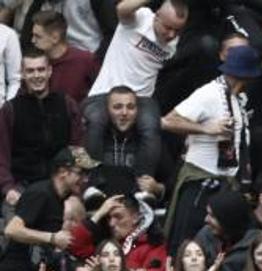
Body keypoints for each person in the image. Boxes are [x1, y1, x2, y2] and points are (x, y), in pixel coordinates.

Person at [161, 44, 260, 250]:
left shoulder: (237, 98)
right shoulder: (209, 93)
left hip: (225, 182)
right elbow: (167, 121)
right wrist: (206, 129)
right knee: (188, 245)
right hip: (200, 181)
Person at [83, 0, 186, 186]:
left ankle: (142, 181)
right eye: (168, 27)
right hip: (105, 92)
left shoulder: (174, 44)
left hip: (140, 98)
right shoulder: (141, 18)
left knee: (151, 126)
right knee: (96, 120)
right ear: (156, 17)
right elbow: (122, 8)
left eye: (177, 30)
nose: (171, 35)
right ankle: (91, 179)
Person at [0, 49, 83, 204]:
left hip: (62, 187)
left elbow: (78, 149)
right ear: (22, 74)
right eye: (30, 71)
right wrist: (8, 188)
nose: (37, 75)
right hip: (22, 188)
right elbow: (1, 156)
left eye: (41, 69)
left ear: (49, 71)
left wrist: (75, 192)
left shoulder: (67, 103)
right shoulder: (9, 110)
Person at [29, 9, 96, 104]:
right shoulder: (34, 63)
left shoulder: (85, 60)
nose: (33, 40)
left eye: (38, 36)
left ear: (55, 37)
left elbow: (100, 93)